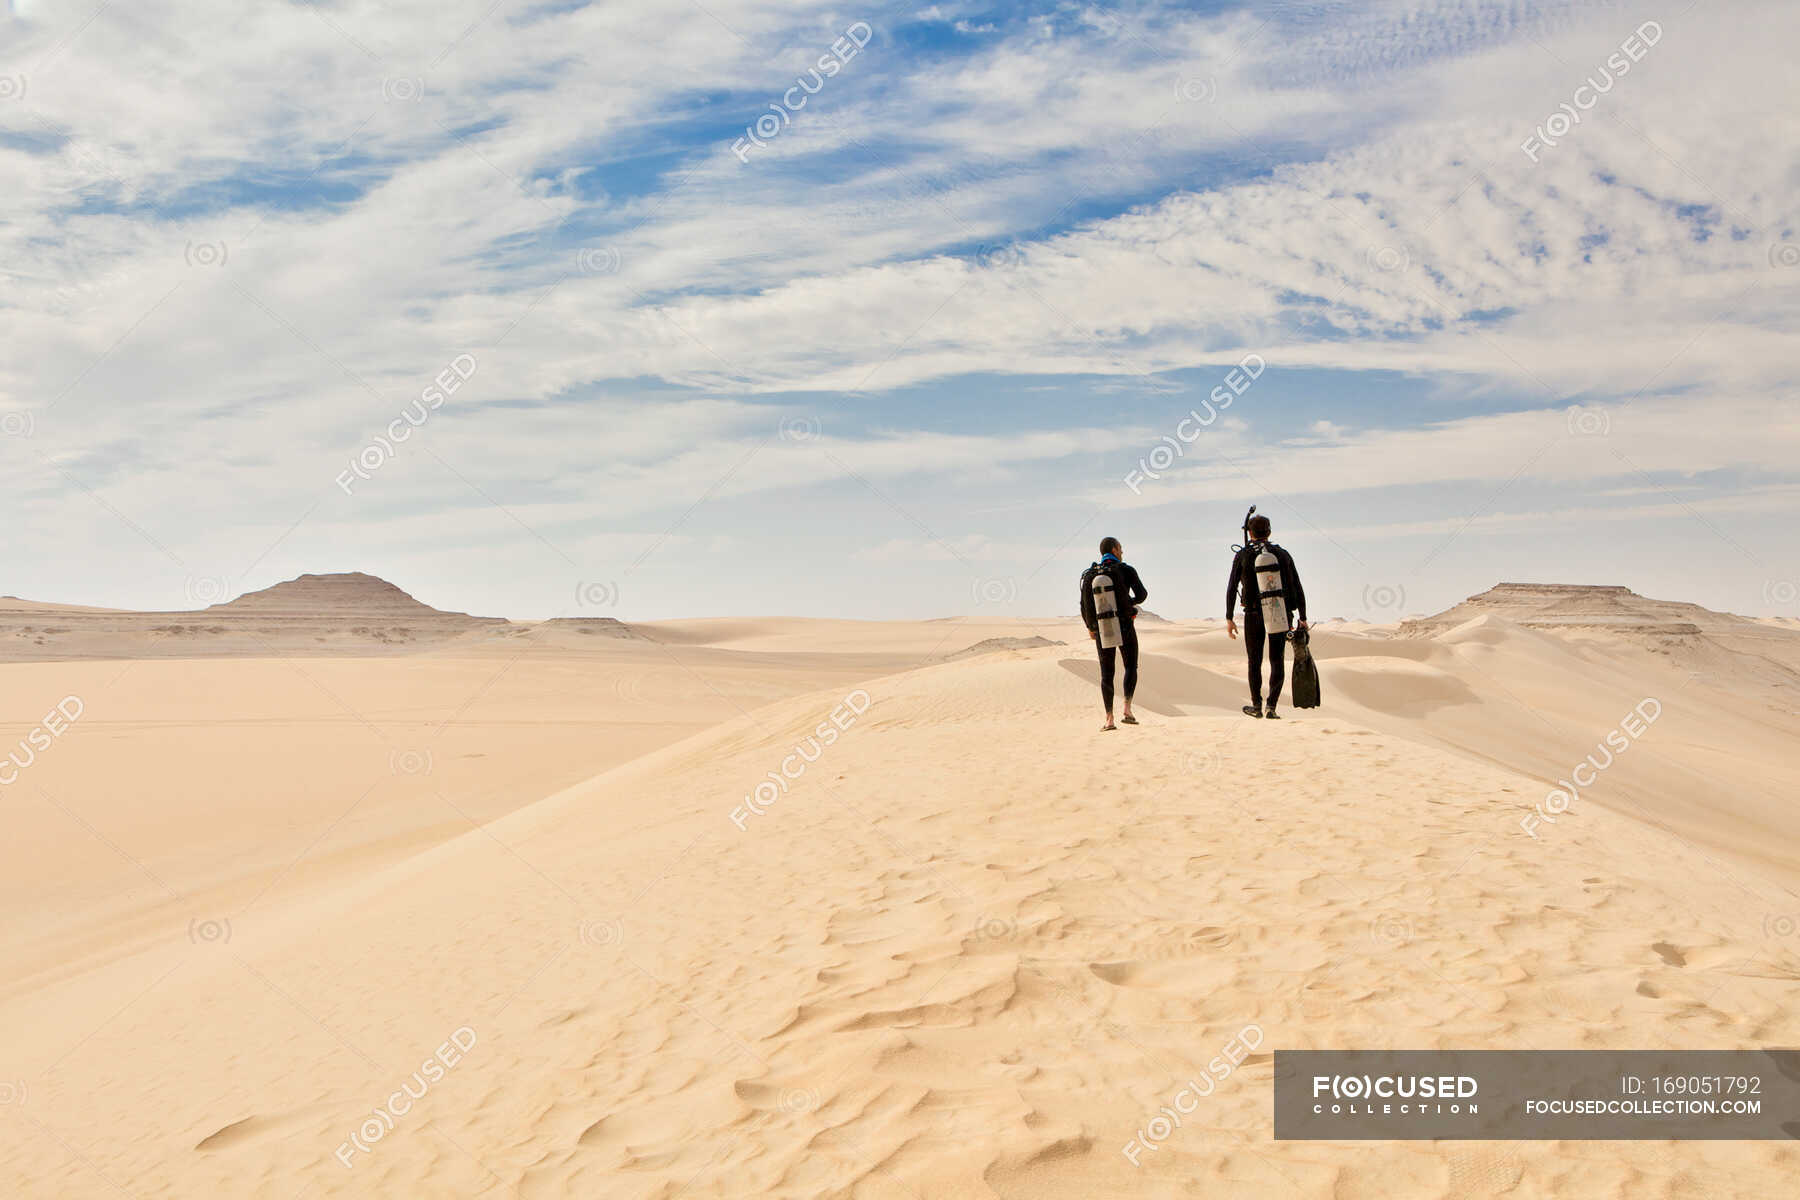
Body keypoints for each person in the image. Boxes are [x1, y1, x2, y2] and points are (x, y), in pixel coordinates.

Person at [1226, 514, 1307, 719]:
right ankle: (1272, 706)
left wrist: (1229, 617)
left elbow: (1231, 587)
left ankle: (1256, 706)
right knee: (1276, 660)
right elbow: (1297, 585)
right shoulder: (1282, 554)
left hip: (1253, 613)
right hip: (1280, 613)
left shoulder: (1243, 555)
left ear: (1249, 533)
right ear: (1269, 532)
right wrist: (1303, 616)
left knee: (1254, 661)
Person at [1080, 537, 1148, 731]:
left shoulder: (1090, 575)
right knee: (1130, 666)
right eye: (1121, 549)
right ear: (1115, 549)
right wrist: (1128, 603)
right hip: (1125, 624)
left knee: (1106, 674)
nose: (1122, 552)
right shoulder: (1126, 570)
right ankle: (1127, 709)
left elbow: (1084, 605)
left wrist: (1091, 628)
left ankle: (1109, 719)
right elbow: (1142, 595)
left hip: (1103, 628)